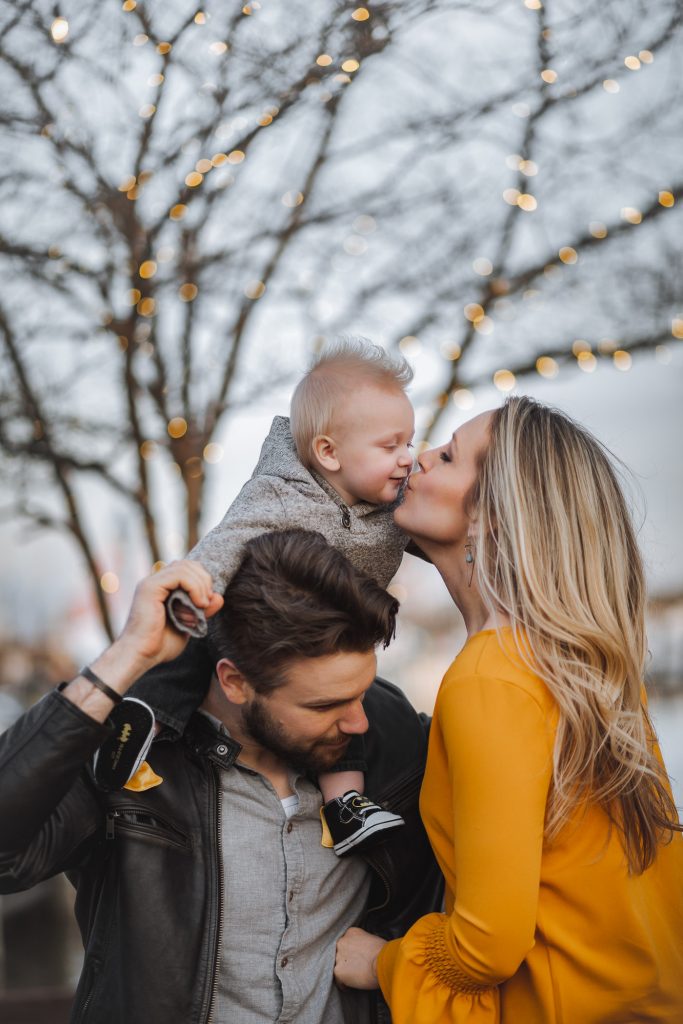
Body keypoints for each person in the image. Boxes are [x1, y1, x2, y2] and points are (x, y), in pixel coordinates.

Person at [0, 529, 443, 1024]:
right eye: (325, 705)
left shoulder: (389, 734)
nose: (358, 721)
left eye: (362, 690)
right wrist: (125, 659)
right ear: (234, 682)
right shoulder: (130, 759)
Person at [334, 396, 683, 1023]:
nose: (417, 460)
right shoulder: (580, 665)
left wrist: (385, 962)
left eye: (448, 456)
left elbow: (486, 943)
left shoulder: (488, 679)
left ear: (491, 516)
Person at [97, 337, 417, 855]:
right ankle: (136, 723)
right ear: (328, 452)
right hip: (250, 628)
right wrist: (190, 590)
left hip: (330, 645)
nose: (407, 459)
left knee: (344, 709)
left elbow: (442, 530)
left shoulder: (393, 507)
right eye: (390, 447)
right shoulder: (282, 492)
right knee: (184, 661)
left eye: (410, 442)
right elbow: (230, 539)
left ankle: (347, 806)